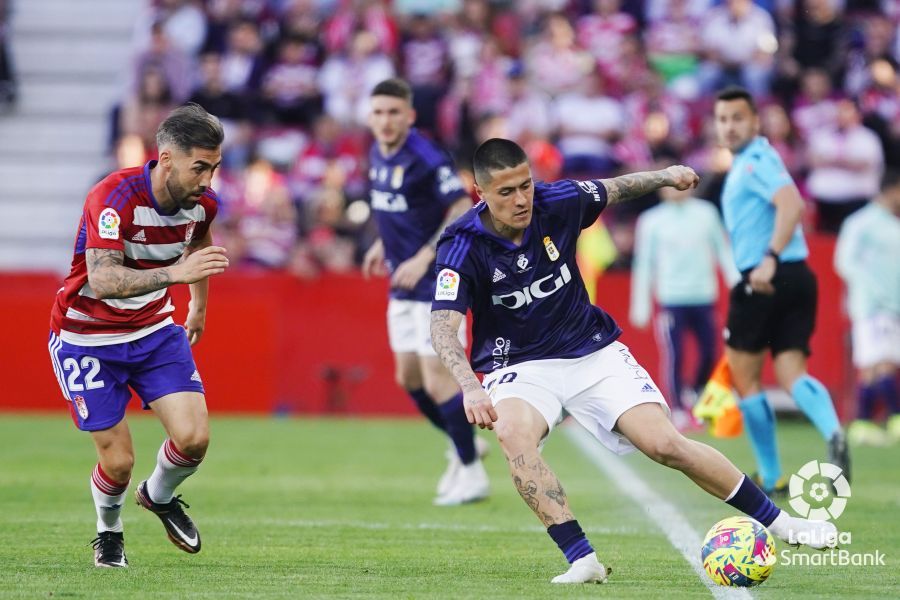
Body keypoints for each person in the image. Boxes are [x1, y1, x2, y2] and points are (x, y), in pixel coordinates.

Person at [429, 138, 838, 584]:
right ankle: (582, 558)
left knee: (665, 444)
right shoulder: (462, 244)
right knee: (512, 434)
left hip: (592, 351)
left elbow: (618, 187)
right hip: (520, 366)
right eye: (506, 192)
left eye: (526, 185)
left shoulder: (558, 201)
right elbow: (443, 326)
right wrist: (471, 385)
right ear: (481, 194)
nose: (522, 199)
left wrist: (666, 175)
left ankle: (783, 523)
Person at [47, 104, 228, 567]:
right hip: (87, 336)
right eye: (200, 167)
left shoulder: (202, 204)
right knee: (119, 463)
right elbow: (104, 280)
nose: (208, 180)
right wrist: (176, 274)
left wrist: (199, 305)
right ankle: (109, 532)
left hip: (153, 330)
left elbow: (200, 244)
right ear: (167, 159)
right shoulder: (113, 197)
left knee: (194, 439)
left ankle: (159, 495)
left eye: (215, 167)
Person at [714, 86, 849, 496]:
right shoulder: (759, 160)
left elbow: (792, 204)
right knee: (793, 375)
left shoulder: (755, 162)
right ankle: (833, 432)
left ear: (756, 121)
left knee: (745, 378)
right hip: (799, 276)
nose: (729, 127)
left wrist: (769, 256)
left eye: (737, 118)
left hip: (764, 277)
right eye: (722, 120)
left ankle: (771, 475)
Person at [360, 78, 489, 506]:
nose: (385, 120)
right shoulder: (377, 151)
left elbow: (458, 207)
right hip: (402, 282)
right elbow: (399, 209)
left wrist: (421, 256)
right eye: (378, 112)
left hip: (437, 279)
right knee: (408, 379)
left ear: (410, 115)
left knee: (438, 380)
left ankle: (471, 472)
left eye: (394, 112)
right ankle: (463, 441)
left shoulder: (425, 155)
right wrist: (386, 244)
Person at [630, 184, 740, 429]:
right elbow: (644, 263)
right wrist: (641, 304)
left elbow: (722, 248)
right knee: (675, 353)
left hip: (703, 293)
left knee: (709, 350)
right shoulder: (652, 220)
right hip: (671, 296)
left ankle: (697, 391)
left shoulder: (706, 213)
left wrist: (736, 281)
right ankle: (678, 408)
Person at [834, 169, 900, 446]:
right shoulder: (861, 223)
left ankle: (863, 423)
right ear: (891, 189)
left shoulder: (892, 224)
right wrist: (872, 291)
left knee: (876, 365)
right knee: (882, 362)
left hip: (892, 305)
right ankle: (894, 419)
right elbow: (844, 261)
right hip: (873, 305)